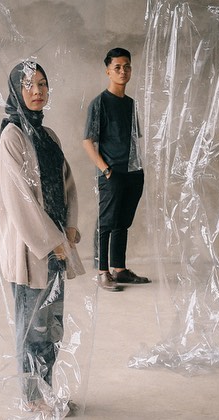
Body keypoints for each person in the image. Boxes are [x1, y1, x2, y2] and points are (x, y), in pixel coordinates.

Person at [0, 61, 84, 412]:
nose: (37, 91)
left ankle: (46, 389)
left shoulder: (49, 136)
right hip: (32, 251)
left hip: (58, 247)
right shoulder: (12, 136)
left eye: (42, 84)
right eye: (29, 84)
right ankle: (32, 398)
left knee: (52, 326)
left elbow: (67, 183)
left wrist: (69, 227)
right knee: (32, 327)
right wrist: (52, 241)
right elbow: (18, 200)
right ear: (16, 90)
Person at [82, 47, 150, 291]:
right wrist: (106, 170)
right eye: (117, 67)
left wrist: (138, 170)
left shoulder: (131, 104)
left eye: (127, 66)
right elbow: (87, 141)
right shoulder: (99, 103)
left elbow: (134, 139)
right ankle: (103, 272)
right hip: (112, 173)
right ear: (108, 71)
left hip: (133, 172)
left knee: (123, 222)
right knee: (106, 223)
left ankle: (119, 270)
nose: (123, 71)